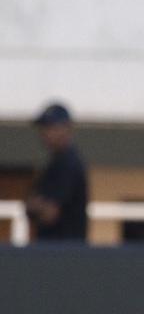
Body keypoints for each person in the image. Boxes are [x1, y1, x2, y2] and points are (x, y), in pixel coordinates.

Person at [26, 103, 90, 243]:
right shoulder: (54, 163)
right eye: (44, 127)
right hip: (52, 249)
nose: (45, 133)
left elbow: (50, 213)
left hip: (64, 252)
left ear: (66, 128)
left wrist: (37, 205)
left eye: (51, 127)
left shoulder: (68, 162)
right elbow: (29, 205)